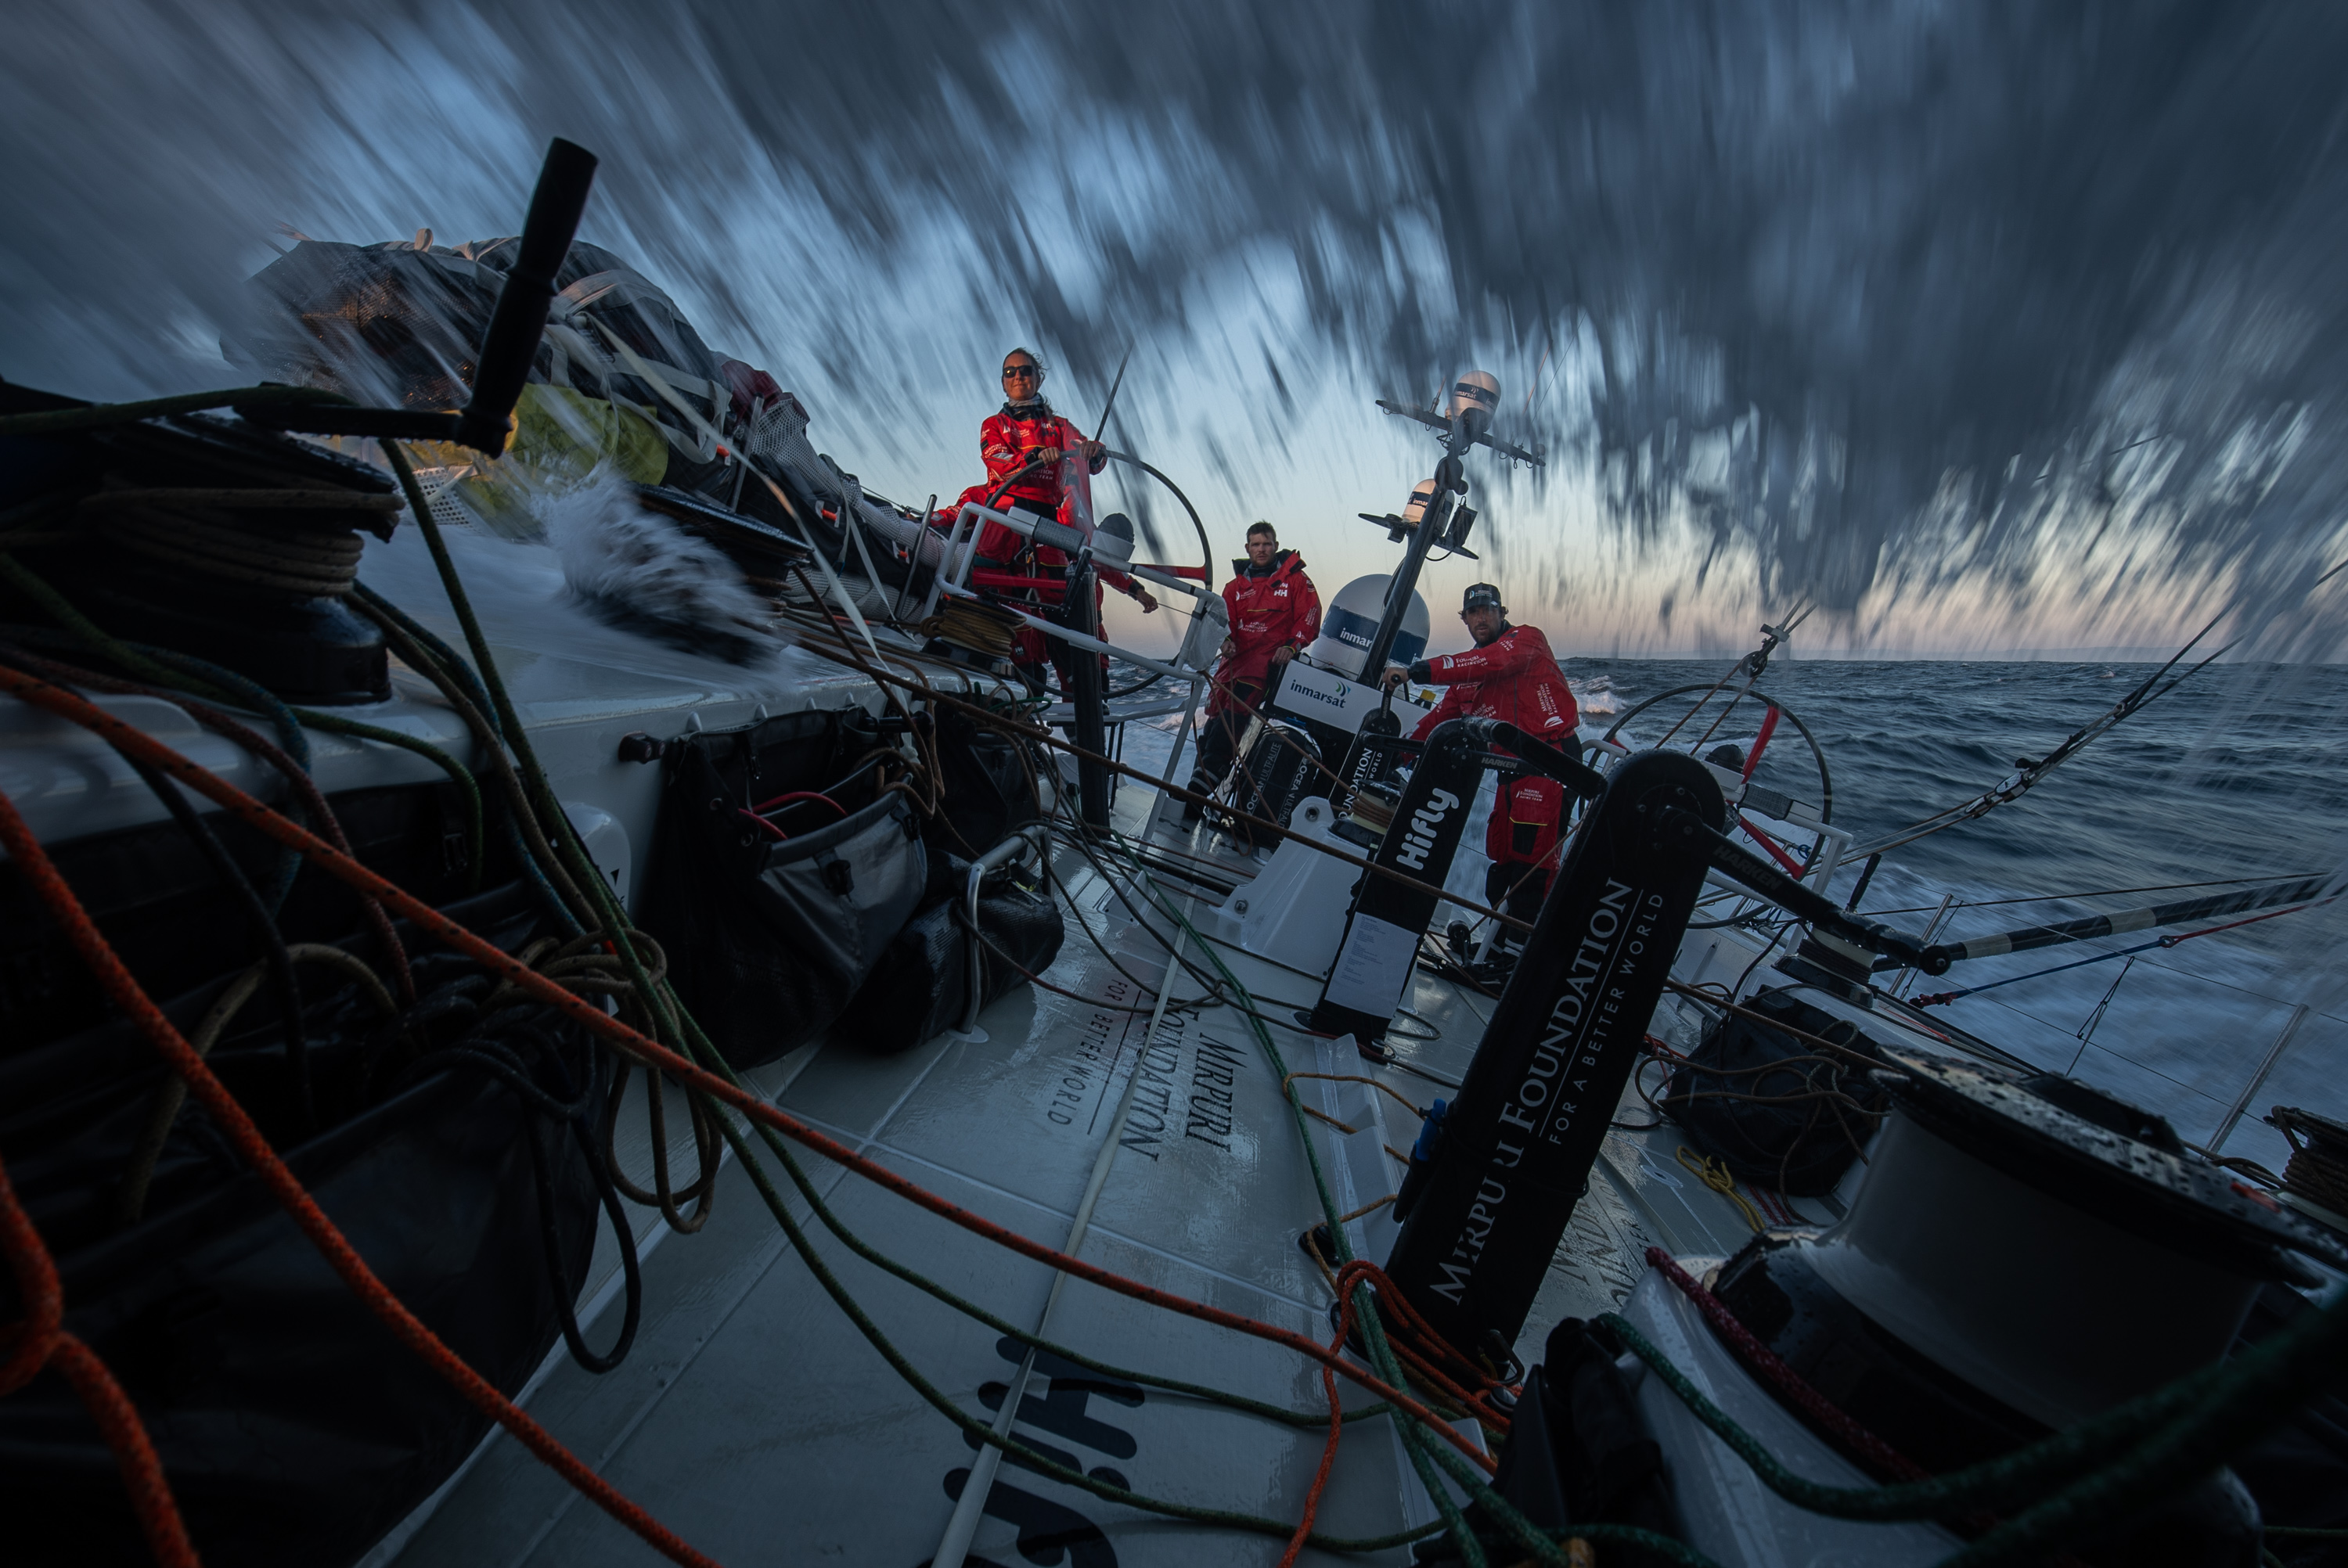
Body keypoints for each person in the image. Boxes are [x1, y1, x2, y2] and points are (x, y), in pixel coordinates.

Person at [1383, 583, 1579, 963]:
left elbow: (1492, 662)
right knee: (1502, 858)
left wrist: (1416, 672)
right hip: (1510, 767)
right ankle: (1499, 946)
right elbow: (1442, 720)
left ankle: (1522, 955)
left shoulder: (1526, 640)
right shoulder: (1468, 672)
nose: (1481, 618)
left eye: (1487, 610)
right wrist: (1401, 755)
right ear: (1465, 619)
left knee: (1533, 862)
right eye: (1473, 613)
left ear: (1501, 612)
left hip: (1550, 757)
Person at [941, 348, 1154, 693]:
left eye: (1025, 371)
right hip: (1004, 528)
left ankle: (1078, 707)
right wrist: (1033, 456)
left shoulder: (1059, 427)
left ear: (1038, 377)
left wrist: (1092, 450)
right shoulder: (994, 426)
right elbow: (996, 458)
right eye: (1009, 373)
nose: (1018, 378)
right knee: (992, 598)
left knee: (1065, 616)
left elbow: (1088, 453)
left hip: (1048, 534)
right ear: (1002, 382)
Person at [1187, 521, 1322, 820]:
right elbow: (1223, 624)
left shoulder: (1296, 580)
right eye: (1256, 544)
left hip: (1263, 672)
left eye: (1267, 544)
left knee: (1225, 736)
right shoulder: (1234, 588)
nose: (1262, 549)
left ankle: (1191, 801)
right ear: (1247, 549)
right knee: (1210, 735)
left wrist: (1293, 646)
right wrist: (1225, 642)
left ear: (1275, 545)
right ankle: (1192, 802)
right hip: (1228, 672)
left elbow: (1310, 618)